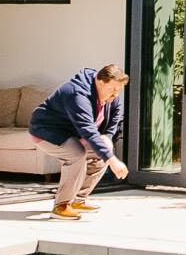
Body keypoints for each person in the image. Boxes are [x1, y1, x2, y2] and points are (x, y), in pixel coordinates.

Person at [29, 64, 130, 220]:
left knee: (102, 153)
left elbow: (116, 114)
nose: (116, 94)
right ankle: (61, 206)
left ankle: (78, 200)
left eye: (119, 90)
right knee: (76, 154)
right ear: (100, 82)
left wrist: (107, 137)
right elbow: (87, 130)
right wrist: (113, 160)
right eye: (113, 89)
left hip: (74, 134)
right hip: (47, 131)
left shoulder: (109, 94)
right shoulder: (77, 94)